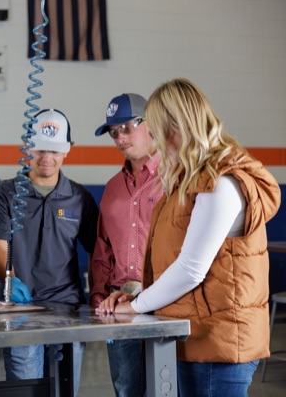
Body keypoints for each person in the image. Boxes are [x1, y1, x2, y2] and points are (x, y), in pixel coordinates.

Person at [96, 78, 281, 396]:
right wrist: (140, 294)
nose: (154, 142)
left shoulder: (221, 182)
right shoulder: (188, 181)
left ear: (175, 127)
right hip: (195, 335)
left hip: (218, 343)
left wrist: (138, 306)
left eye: (154, 131)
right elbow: (175, 262)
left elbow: (192, 268)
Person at [0, 108, 99, 395]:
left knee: (65, 391)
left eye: (55, 150)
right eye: (39, 149)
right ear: (26, 147)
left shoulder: (80, 198)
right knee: (26, 391)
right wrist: (11, 280)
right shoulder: (5, 195)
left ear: (67, 151)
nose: (47, 157)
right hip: (21, 312)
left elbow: (100, 251)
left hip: (69, 312)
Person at [90, 93, 163, 397]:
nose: (120, 137)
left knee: (167, 387)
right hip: (121, 306)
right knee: (127, 389)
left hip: (165, 303)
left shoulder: (176, 178)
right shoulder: (112, 189)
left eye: (127, 127)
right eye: (113, 131)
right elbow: (103, 249)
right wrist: (99, 296)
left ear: (151, 123)